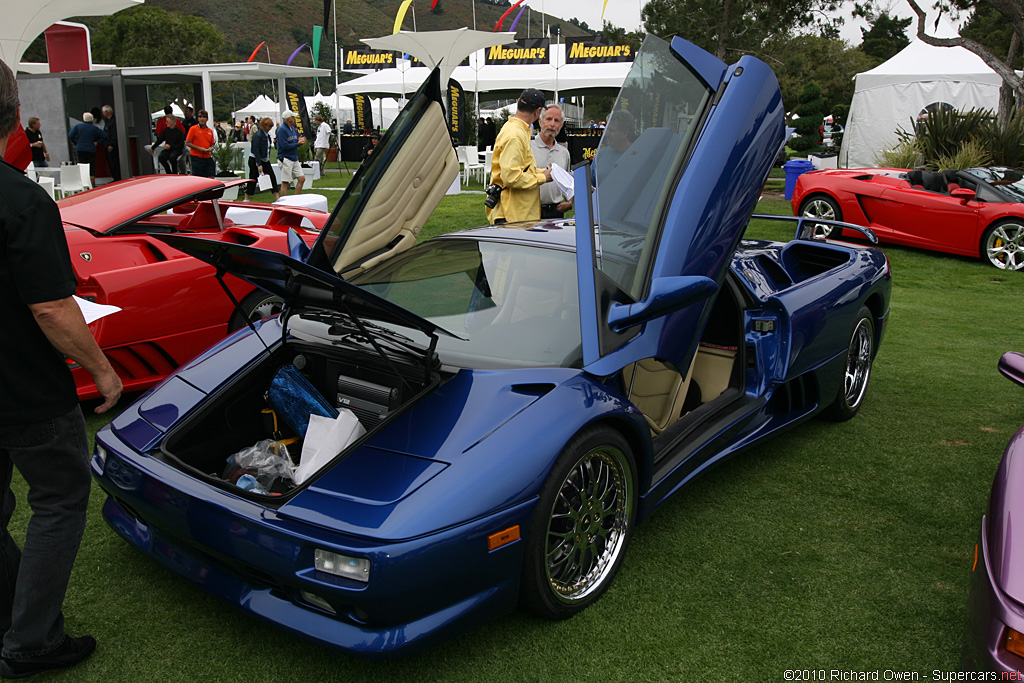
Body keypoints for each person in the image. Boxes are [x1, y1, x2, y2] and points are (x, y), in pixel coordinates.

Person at [0, 57, 122, 679]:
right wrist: (102, 370)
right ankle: (33, 639)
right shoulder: (21, 200)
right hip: (25, 390)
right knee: (59, 499)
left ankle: (11, 611)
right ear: (15, 116)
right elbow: (51, 306)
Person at [486, 88, 551, 225]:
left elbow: (523, 168)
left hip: (516, 213)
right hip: (512, 215)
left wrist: (543, 172)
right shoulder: (515, 135)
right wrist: (543, 177)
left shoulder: (515, 129)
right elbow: (511, 177)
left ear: (518, 102)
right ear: (537, 111)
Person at [530, 105, 572, 220]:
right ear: (540, 122)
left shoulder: (564, 153)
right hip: (530, 211)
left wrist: (570, 203)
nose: (552, 124)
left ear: (561, 125)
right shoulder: (528, 148)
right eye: (548, 119)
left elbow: (569, 183)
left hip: (556, 213)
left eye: (557, 120)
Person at [244, 117, 279, 202]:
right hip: (255, 159)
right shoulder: (258, 135)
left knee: (272, 177)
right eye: (269, 127)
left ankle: (277, 197)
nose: (270, 129)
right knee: (253, 178)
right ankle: (246, 197)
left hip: (265, 160)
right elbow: (256, 150)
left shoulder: (266, 135)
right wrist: (259, 164)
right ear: (264, 126)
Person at [67, 112, 107, 187]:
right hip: (91, 149)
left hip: (80, 149)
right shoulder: (94, 128)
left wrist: (76, 143)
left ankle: (83, 185)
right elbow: (104, 135)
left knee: (82, 167)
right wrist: (97, 142)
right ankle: (92, 185)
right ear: (92, 120)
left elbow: (70, 135)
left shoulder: (78, 127)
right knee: (92, 167)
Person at [275, 110, 305, 196]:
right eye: (293, 117)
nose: (294, 119)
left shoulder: (292, 128)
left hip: (293, 157)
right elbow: (284, 146)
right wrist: (297, 144)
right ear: (289, 119)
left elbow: (296, 138)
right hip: (285, 158)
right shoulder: (281, 130)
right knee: (285, 182)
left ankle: (295, 198)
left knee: (301, 178)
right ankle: (284, 202)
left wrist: (300, 140)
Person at [185, 109, 216, 178]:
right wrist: (199, 148)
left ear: (207, 119)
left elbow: (212, 143)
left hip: (207, 156)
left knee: (211, 175)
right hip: (196, 157)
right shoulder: (193, 129)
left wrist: (211, 148)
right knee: (199, 178)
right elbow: (187, 143)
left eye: (204, 117)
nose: (202, 119)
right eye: (200, 117)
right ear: (198, 118)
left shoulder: (209, 131)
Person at [101, 105, 119, 181]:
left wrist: (111, 144)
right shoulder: (108, 122)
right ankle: (115, 177)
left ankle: (117, 178)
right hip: (108, 144)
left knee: (114, 162)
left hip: (112, 145)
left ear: (106, 112)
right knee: (111, 163)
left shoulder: (113, 122)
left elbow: (114, 134)